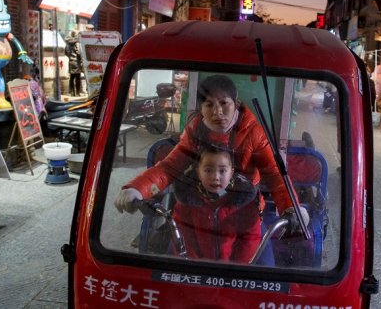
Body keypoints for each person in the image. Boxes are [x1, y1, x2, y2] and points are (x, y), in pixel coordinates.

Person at [115, 75, 310, 242]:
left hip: (243, 214)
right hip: (198, 211)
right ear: (201, 108)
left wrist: (292, 207)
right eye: (209, 104)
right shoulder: (195, 130)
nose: (217, 112)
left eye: (224, 103)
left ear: (236, 104)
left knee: (263, 273)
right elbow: (169, 167)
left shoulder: (254, 133)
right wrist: (137, 188)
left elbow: (274, 174)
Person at [172, 144, 259, 262]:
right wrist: (195, 264)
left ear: (232, 172)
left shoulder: (244, 202)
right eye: (208, 170)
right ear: (198, 172)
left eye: (222, 171)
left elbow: (250, 238)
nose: (215, 177)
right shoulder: (187, 201)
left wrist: (236, 266)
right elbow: (183, 236)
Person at [64, 30, 82, 96]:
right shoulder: (77, 43)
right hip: (77, 62)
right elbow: (79, 53)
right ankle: (77, 93)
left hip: (71, 61)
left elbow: (65, 52)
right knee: (77, 77)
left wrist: (70, 57)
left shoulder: (67, 43)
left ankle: (71, 92)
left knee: (71, 78)